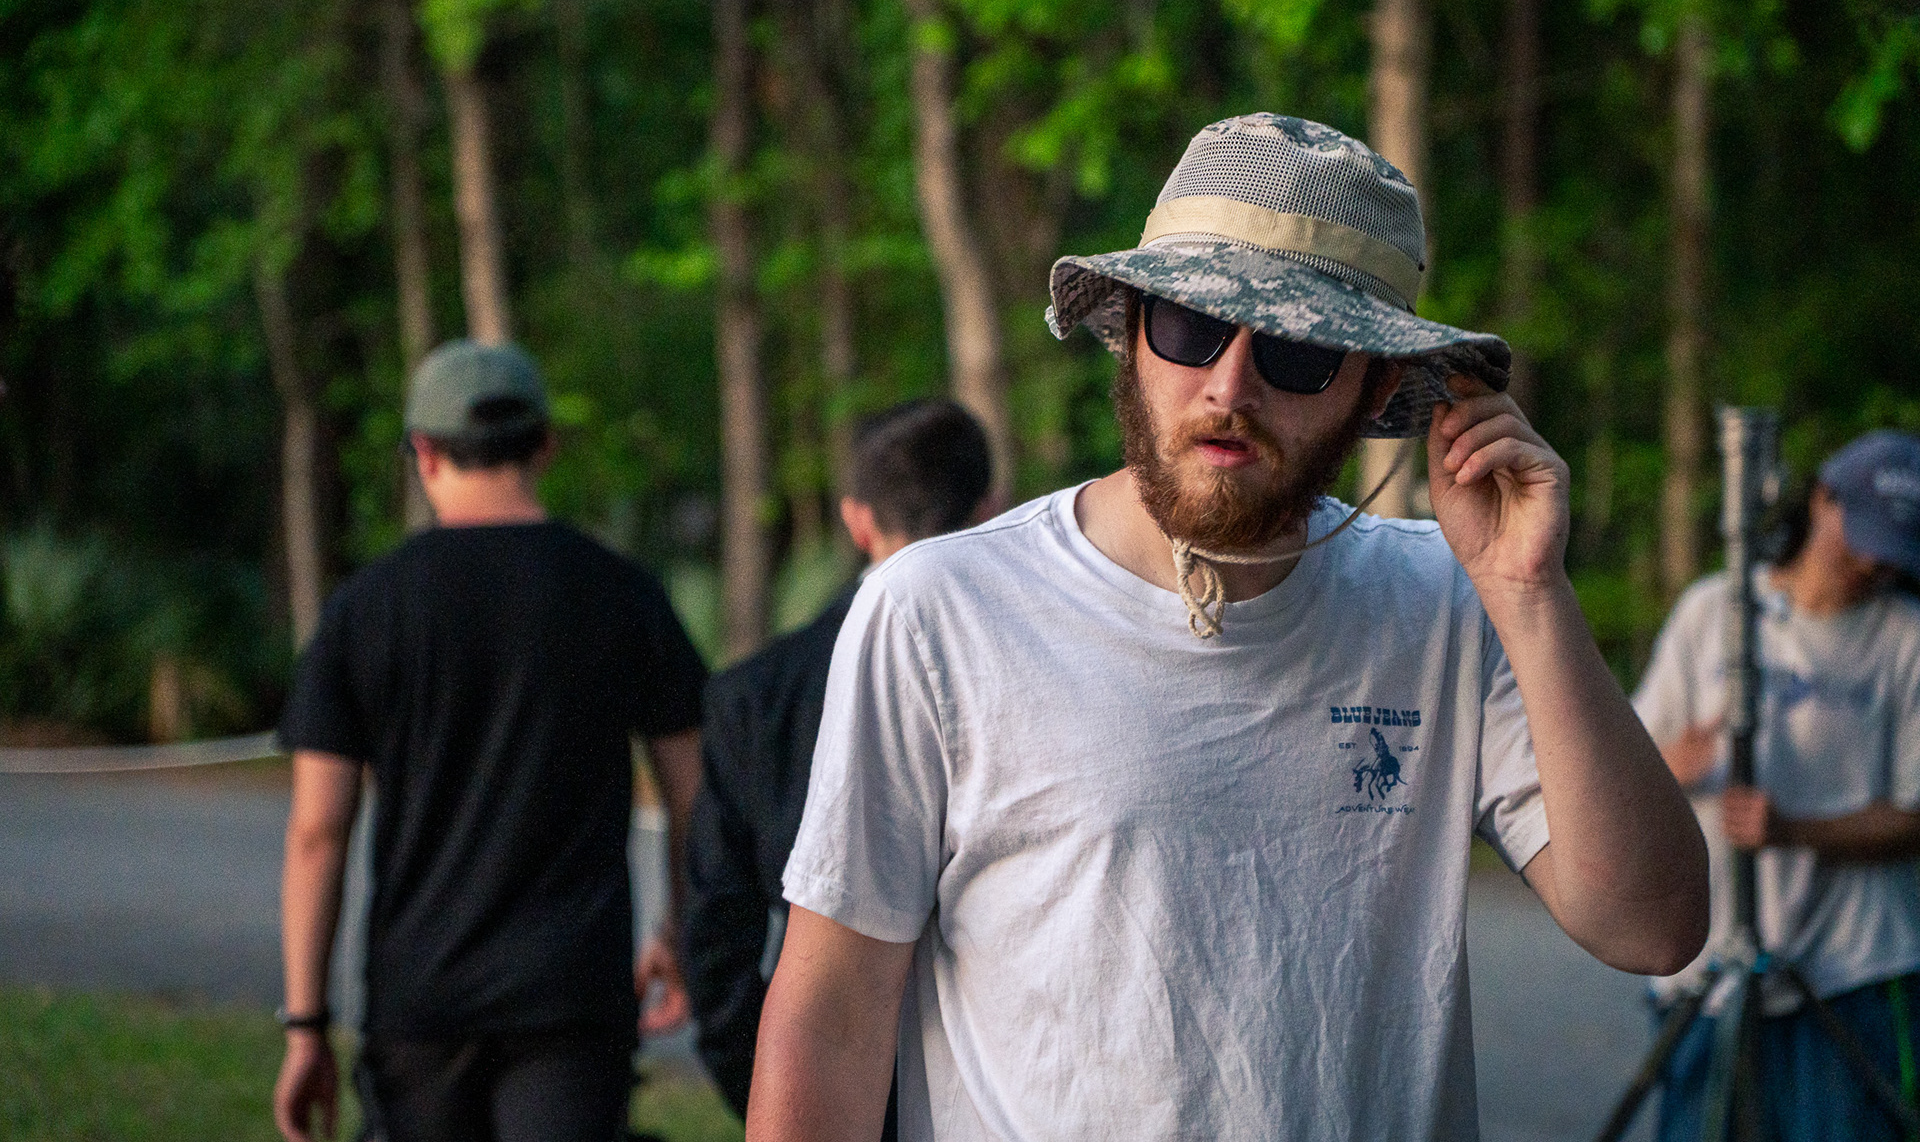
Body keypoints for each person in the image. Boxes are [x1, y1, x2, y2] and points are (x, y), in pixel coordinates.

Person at [746, 113, 1708, 1142]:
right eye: (1192, 325)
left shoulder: (1446, 600)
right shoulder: (943, 608)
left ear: (1377, 387)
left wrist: (1529, 591)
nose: (1229, 386)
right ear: (1130, 329)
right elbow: (833, 1016)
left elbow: (1650, 927)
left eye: (1297, 350)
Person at [272, 340, 707, 1142]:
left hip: (420, 999)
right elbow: (693, 795)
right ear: (545, 446)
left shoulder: (365, 608)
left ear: (424, 453)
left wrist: (306, 1026)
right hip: (571, 996)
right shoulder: (622, 593)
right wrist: (678, 933)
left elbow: (317, 831)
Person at [685, 398, 992, 1133]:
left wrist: (767, 1088)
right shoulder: (1034, 670)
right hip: (991, 1092)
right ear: (988, 509)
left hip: (821, 1080)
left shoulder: (754, 696)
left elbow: (718, 930)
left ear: (857, 521)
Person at [1638, 429, 1920, 1141]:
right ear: (1822, 499)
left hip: (1851, 966)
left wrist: (1793, 830)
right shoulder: (1714, 611)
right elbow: (1631, 767)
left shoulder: (1905, 637)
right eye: (1863, 539)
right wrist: (1674, 764)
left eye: (1894, 550)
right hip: (1708, 967)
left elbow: (1916, 813)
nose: (1874, 563)